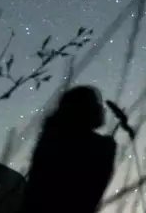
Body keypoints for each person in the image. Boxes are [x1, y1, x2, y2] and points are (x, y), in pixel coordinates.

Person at [21, 85, 116, 213]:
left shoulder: (52, 138)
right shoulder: (99, 146)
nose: (101, 108)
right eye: (96, 103)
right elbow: (88, 195)